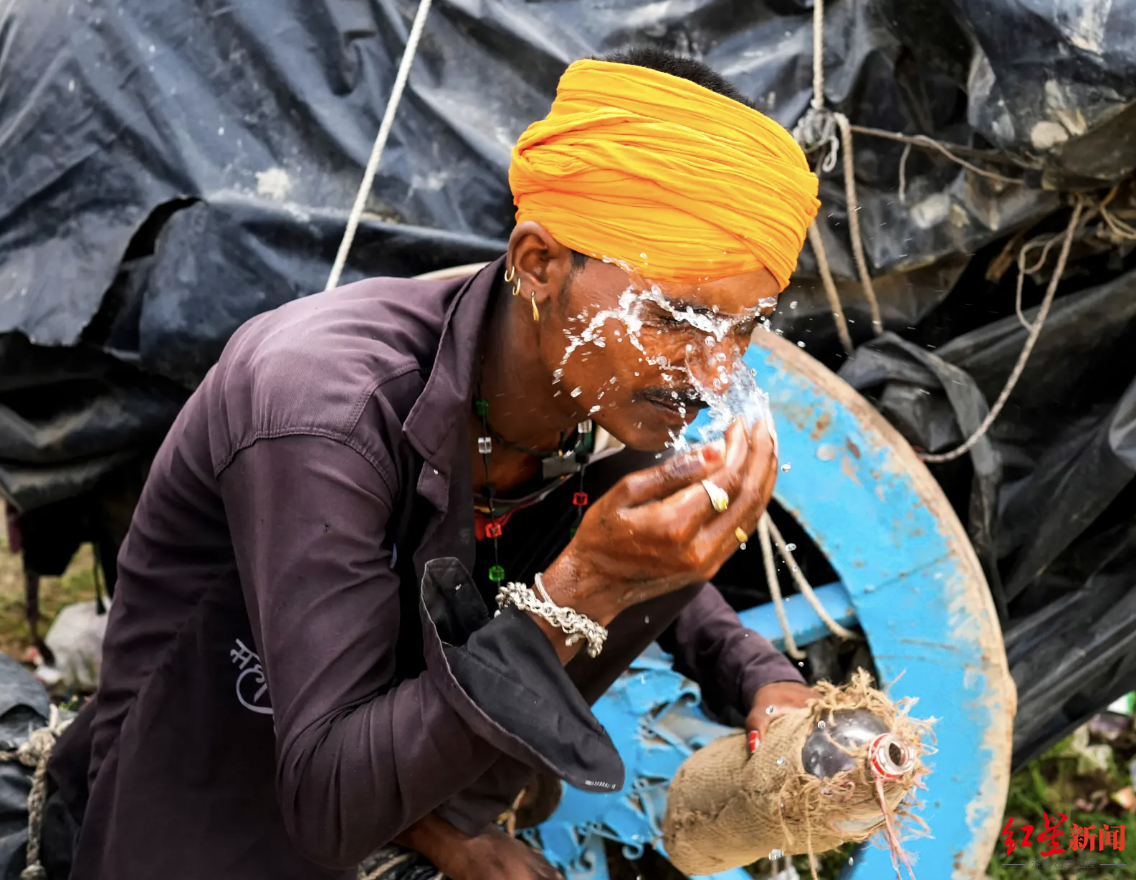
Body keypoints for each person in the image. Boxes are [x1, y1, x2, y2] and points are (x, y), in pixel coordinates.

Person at [47, 47, 822, 880]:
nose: (713, 372)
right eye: (676, 315)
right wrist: (585, 585)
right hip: (210, 816)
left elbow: (636, 545)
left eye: (741, 330)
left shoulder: (595, 388)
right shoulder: (322, 409)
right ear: (539, 264)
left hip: (406, 784)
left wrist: (760, 676)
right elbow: (328, 803)